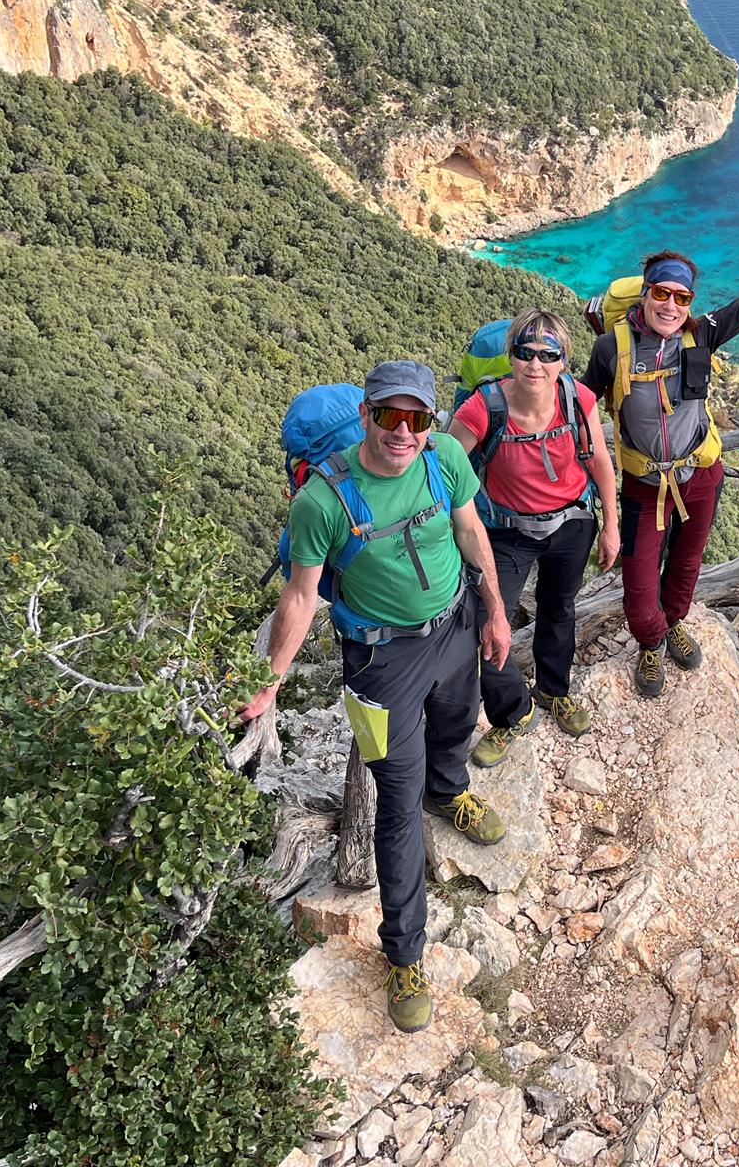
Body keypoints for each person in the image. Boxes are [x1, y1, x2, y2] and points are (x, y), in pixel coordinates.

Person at [247, 360, 513, 1033]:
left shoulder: (443, 456)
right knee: (395, 804)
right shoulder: (322, 502)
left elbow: (469, 530)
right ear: (366, 415)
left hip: (453, 625)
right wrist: (270, 682)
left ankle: (449, 792)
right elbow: (300, 597)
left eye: (416, 418)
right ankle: (405, 954)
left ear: (430, 421)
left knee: (456, 725)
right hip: (379, 663)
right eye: (390, 416)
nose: (403, 432)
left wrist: (493, 607)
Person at [584, 182, 739, 697]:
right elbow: (580, 405)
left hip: (701, 475)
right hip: (643, 485)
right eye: (661, 294)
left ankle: (674, 622)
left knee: (686, 563)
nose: (671, 305)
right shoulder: (611, 348)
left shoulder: (700, 334)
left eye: (682, 298)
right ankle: (650, 641)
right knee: (638, 581)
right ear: (645, 294)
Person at [449, 309, 620, 759]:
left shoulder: (577, 398)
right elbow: (443, 473)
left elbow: (599, 460)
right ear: (511, 356)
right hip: (506, 532)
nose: (535, 364)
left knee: (558, 609)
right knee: (487, 624)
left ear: (563, 360)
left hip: (572, 523)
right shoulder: (482, 408)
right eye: (525, 353)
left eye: (548, 355)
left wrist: (611, 525)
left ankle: (553, 689)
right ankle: (513, 713)